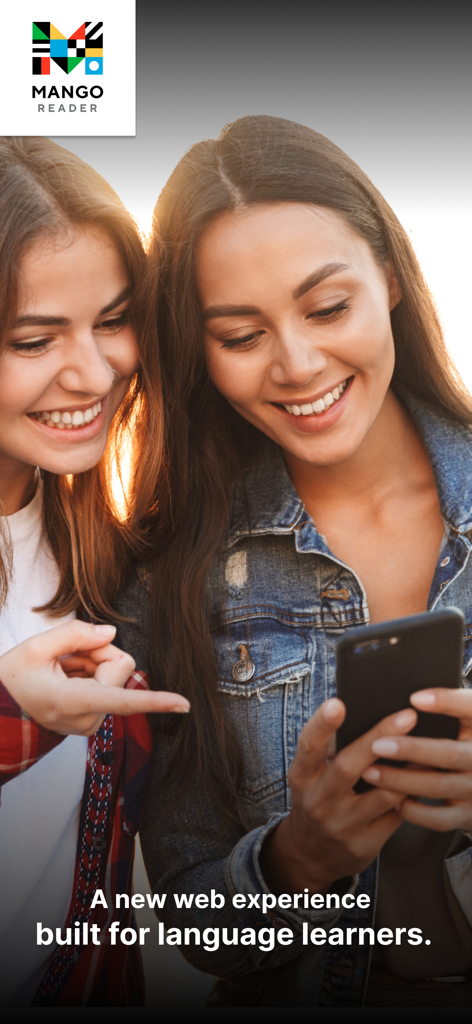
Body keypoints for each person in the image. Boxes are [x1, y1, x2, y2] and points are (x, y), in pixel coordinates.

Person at [120, 115, 472, 1007]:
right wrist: (298, 859)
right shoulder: (172, 576)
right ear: (198, 351)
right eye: (241, 336)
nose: (299, 363)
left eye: (327, 307)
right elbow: (205, 933)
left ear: (388, 275)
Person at [0, 137, 189, 1008]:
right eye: (35, 339)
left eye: (113, 321)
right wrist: (14, 716)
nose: (95, 371)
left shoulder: (108, 555)